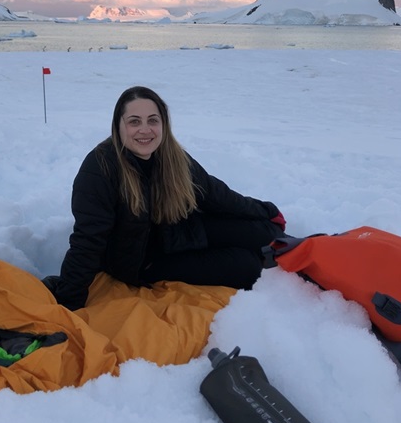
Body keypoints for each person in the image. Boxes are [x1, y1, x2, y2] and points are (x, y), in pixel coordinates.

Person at [48, 86, 287, 311]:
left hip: (176, 230)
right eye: (134, 122)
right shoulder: (99, 169)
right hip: (142, 261)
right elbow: (88, 241)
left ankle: (304, 257)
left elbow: (215, 194)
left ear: (163, 124)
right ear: (118, 126)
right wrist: (69, 302)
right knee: (247, 267)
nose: (145, 130)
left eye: (153, 120)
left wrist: (265, 210)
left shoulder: (171, 155)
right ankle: (283, 282)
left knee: (266, 233)